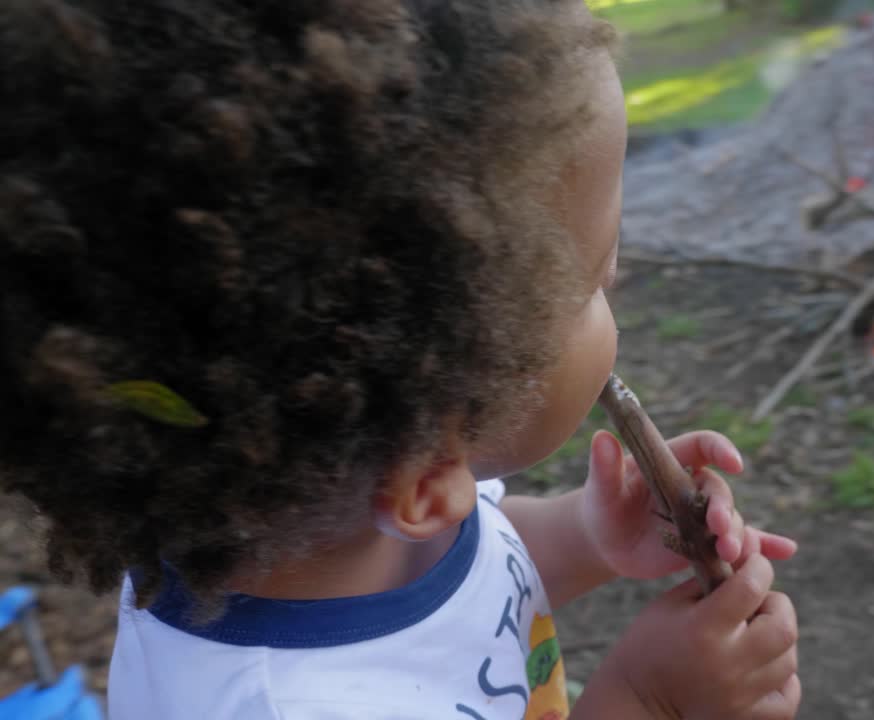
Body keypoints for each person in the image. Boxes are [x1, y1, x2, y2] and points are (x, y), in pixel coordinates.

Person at [0, 1, 802, 718]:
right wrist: (650, 702)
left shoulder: (322, 520)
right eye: (596, 277)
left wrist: (590, 537)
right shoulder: (290, 706)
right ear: (424, 476)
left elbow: (460, 588)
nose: (616, 278)